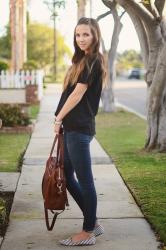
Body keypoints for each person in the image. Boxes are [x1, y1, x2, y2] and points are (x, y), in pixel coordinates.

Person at [54, 17, 106, 246]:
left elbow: (77, 94)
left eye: (86, 34)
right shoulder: (81, 60)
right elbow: (69, 93)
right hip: (71, 128)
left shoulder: (94, 60)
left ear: (95, 35)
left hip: (79, 128)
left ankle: (87, 232)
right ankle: (92, 221)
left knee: (85, 181)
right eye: (78, 35)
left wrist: (58, 118)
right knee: (65, 176)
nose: (82, 38)